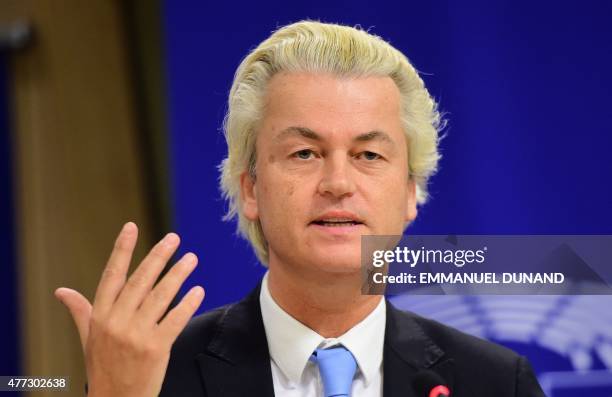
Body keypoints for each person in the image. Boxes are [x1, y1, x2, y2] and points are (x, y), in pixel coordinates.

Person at [55, 21, 546, 397]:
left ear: (411, 192)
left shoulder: (496, 383)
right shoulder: (159, 375)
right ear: (250, 189)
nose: (337, 183)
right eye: (304, 153)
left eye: (369, 155)